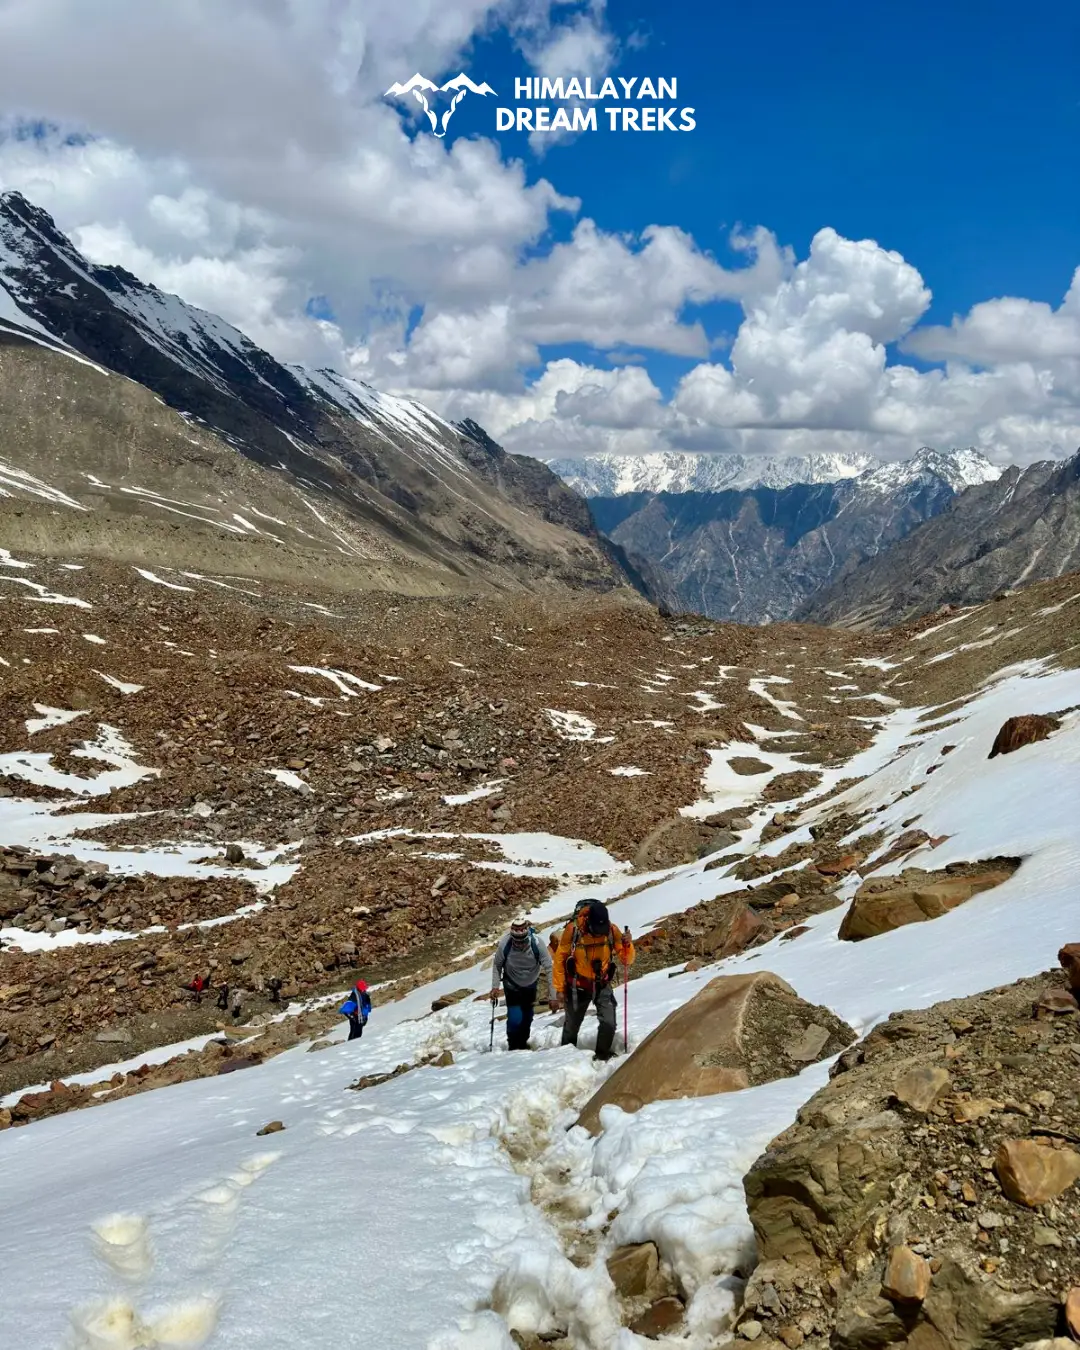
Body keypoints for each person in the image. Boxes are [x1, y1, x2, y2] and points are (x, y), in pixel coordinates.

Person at [553, 899, 634, 1061]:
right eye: (597, 930)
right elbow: (560, 959)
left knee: (609, 1023)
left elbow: (627, 960)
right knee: (571, 1026)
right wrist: (560, 989)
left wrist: (628, 944)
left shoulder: (611, 930)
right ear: (589, 921)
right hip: (578, 986)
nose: (599, 933)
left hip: (602, 984)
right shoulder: (574, 930)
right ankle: (565, 1060)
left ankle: (602, 1055)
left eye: (601, 931)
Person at [492, 918, 555, 1050]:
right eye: (516, 940)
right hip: (511, 984)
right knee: (515, 1017)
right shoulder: (505, 944)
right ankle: (513, 1045)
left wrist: (553, 996)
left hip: (530, 984)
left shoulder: (537, 943)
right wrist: (495, 987)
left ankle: (522, 1043)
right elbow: (497, 965)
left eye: (522, 940)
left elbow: (549, 968)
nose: (519, 944)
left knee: (527, 1017)